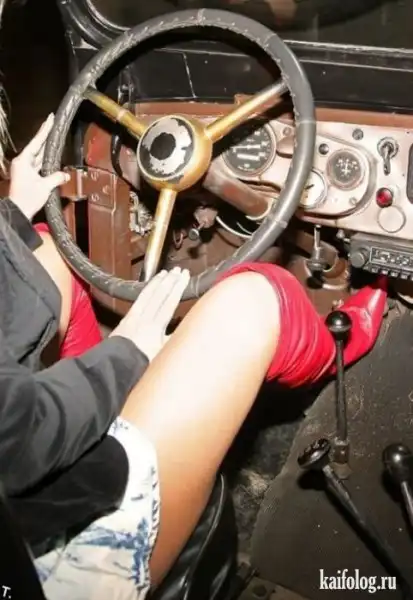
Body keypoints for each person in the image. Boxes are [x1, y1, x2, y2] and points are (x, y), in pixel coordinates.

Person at [0, 113, 388, 600]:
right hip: (48, 559)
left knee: (41, 251)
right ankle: (344, 342)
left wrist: (12, 213)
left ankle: (124, 402)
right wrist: (126, 354)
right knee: (253, 301)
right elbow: (19, 430)